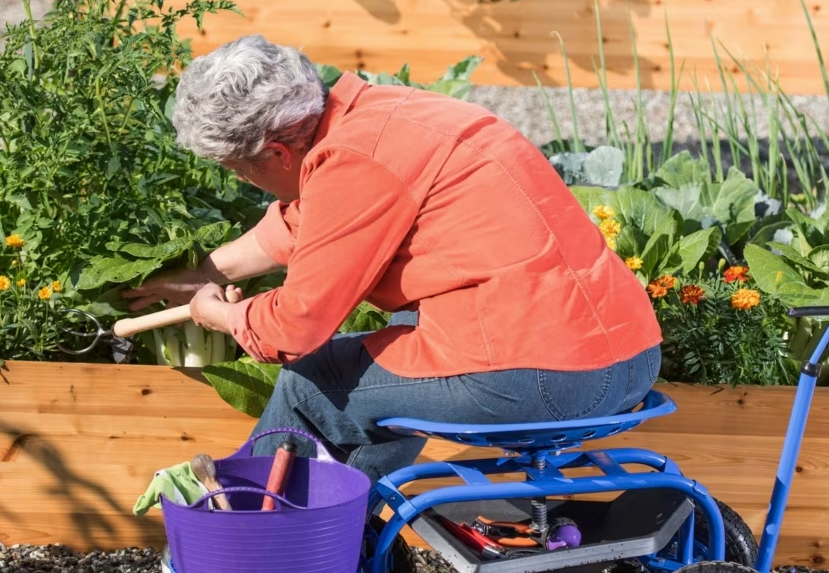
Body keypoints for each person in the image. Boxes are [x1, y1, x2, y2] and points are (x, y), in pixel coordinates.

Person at [124, 35, 663, 485]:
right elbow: (307, 224)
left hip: (544, 377)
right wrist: (205, 274)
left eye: (239, 170)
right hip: (630, 357)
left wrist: (221, 315)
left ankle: (248, 552)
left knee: (313, 383)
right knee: (397, 335)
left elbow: (293, 329)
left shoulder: (355, 164)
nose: (242, 180)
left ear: (277, 154)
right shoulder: (389, 115)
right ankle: (354, 536)